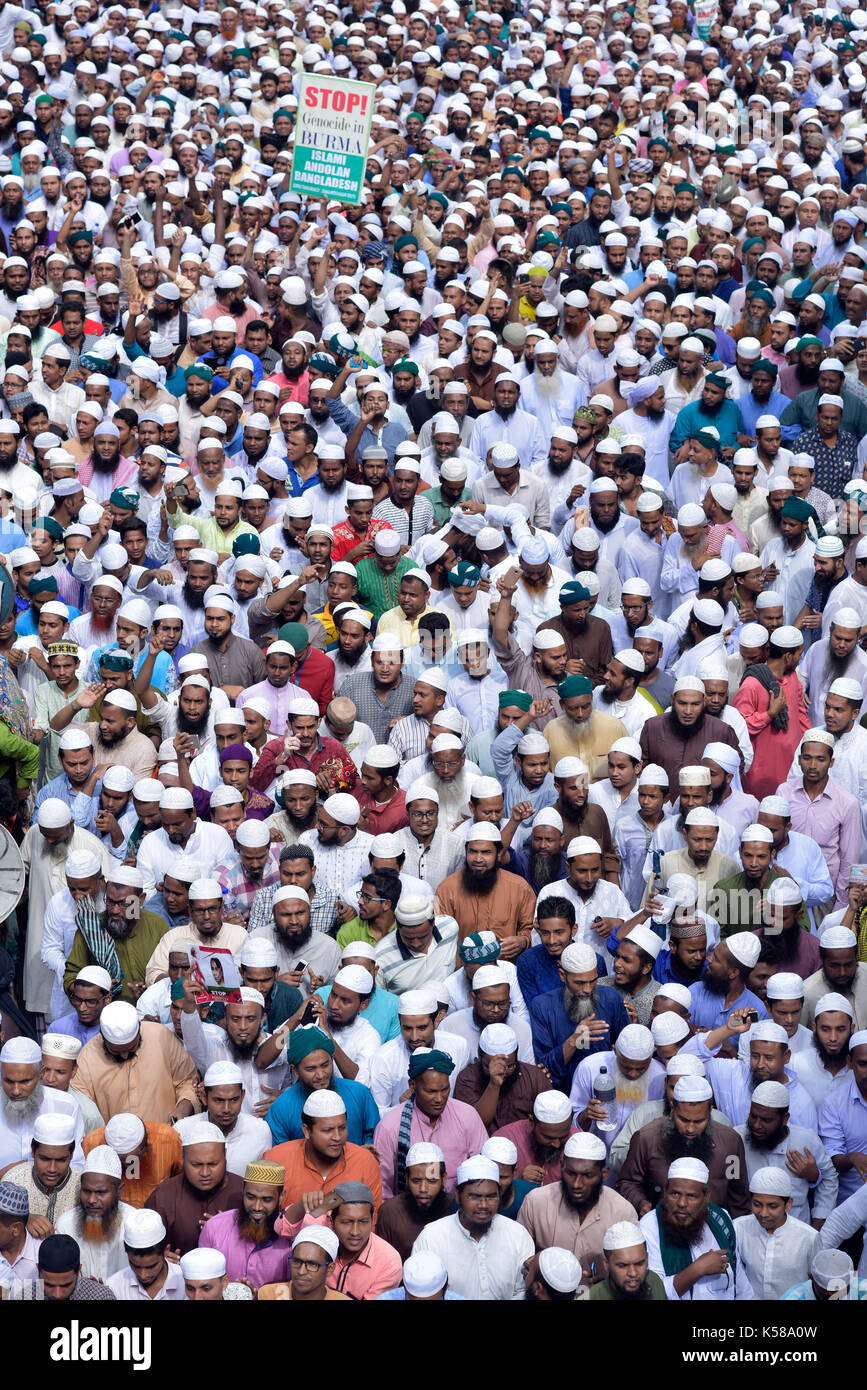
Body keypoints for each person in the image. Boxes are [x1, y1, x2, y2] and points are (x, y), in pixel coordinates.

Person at [412, 1153, 534, 1300]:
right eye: (474, 1197)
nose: (483, 1205)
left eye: (490, 1197)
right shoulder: (431, 1238)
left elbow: (522, 1292)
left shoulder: (517, 1235)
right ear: (457, 1195)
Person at [517, 1132, 639, 1261]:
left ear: (604, 1174)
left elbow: (631, 1267)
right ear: (562, 1167)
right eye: (570, 1173)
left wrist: (607, 1276)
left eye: (587, 1176)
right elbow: (520, 1258)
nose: (576, 1184)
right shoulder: (536, 1202)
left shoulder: (622, 1212)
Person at [587, 1221, 668, 1300]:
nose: (633, 1273)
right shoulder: (593, 1296)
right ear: (606, 1264)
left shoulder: (654, 1282)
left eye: (639, 1264)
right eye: (623, 1266)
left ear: (647, 1259)